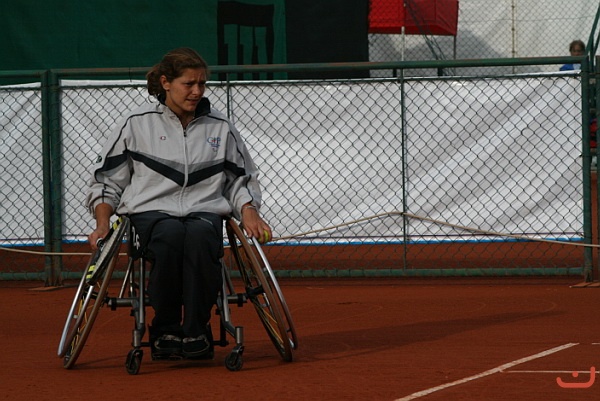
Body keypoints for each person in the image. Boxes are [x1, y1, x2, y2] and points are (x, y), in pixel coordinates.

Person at [86, 47, 272, 360]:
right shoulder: (135, 124)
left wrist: (249, 211)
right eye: (189, 84)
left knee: (200, 239)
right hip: (151, 212)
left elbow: (240, 179)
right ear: (166, 83)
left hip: (204, 210)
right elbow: (106, 182)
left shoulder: (221, 126)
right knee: (170, 237)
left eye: (202, 83)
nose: (197, 91)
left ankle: (197, 330)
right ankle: (166, 329)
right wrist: (102, 223)